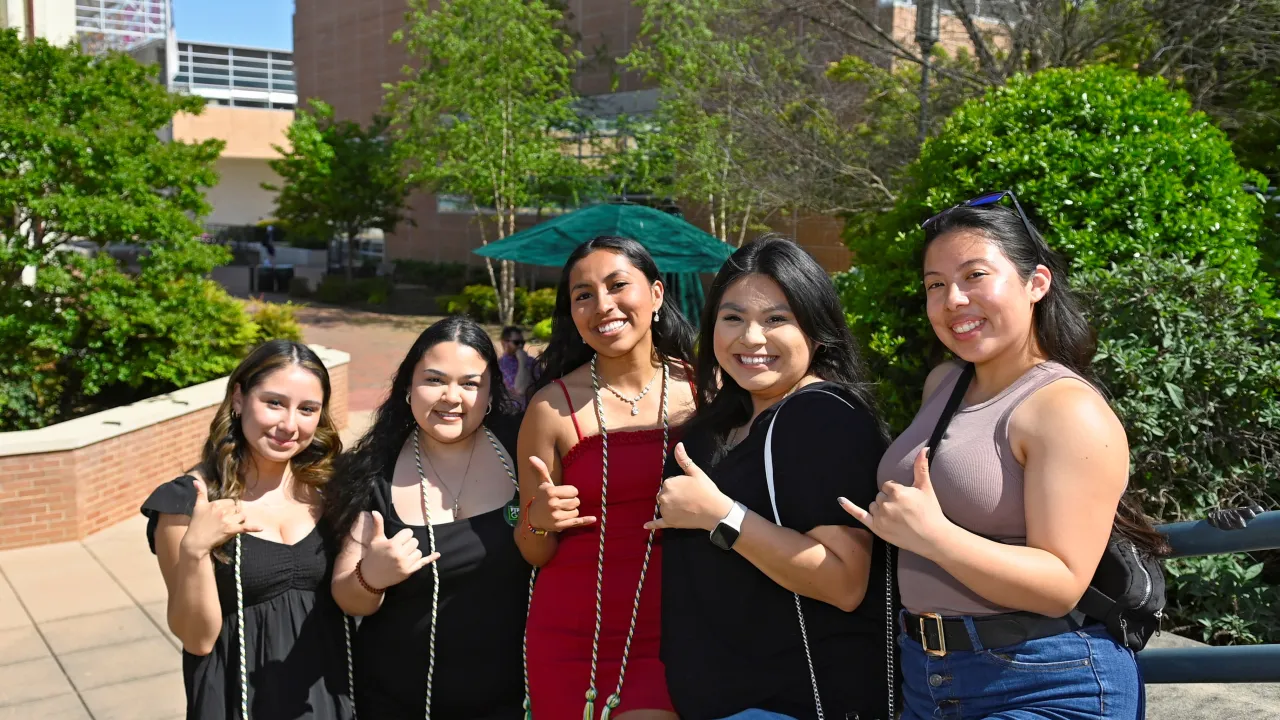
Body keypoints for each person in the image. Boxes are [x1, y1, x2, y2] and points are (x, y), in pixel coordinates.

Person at [845, 192, 1161, 719]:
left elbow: (1061, 584)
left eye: (974, 276)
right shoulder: (944, 383)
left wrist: (934, 537)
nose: (953, 301)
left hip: (1045, 682)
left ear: (1036, 283)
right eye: (936, 285)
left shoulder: (1065, 408)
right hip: (928, 679)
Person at [650, 236, 893, 720]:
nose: (751, 338)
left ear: (818, 331)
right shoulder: (719, 425)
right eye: (733, 317)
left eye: (777, 319)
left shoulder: (823, 418)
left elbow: (844, 581)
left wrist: (720, 515)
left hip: (795, 701)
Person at [516, 236, 698, 720]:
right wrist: (537, 518)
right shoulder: (550, 408)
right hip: (572, 635)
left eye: (618, 285)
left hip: (679, 632)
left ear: (657, 294)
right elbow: (532, 546)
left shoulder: (707, 390)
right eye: (583, 295)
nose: (602, 306)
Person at [325, 316, 530, 719]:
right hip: (401, 701)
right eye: (434, 380)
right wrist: (371, 576)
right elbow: (347, 596)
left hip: (513, 699)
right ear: (407, 387)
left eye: (470, 384)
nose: (452, 397)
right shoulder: (372, 471)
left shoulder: (523, 453)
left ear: (490, 394)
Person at [140, 340, 354, 720]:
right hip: (240, 699)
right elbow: (197, 638)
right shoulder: (187, 502)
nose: (290, 425)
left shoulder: (331, 488)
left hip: (326, 693)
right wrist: (194, 551)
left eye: (307, 409)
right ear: (238, 398)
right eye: (274, 403)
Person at [499, 325, 534, 407]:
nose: (520, 346)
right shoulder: (501, 364)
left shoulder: (531, 360)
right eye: (516, 343)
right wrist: (522, 362)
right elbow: (520, 389)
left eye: (523, 343)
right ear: (504, 343)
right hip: (514, 412)